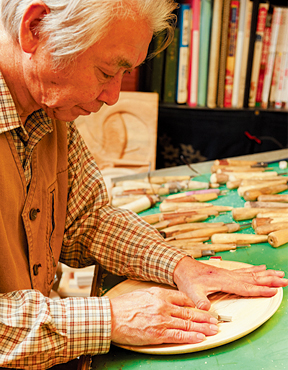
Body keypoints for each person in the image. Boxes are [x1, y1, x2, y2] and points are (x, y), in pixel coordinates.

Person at [0, 0, 287, 369]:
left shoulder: (48, 109)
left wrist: (179, 266)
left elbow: (86, 220)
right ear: (35, 28)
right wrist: (110, 319)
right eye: (106, 71)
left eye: (124, 73)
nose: (113, 96)